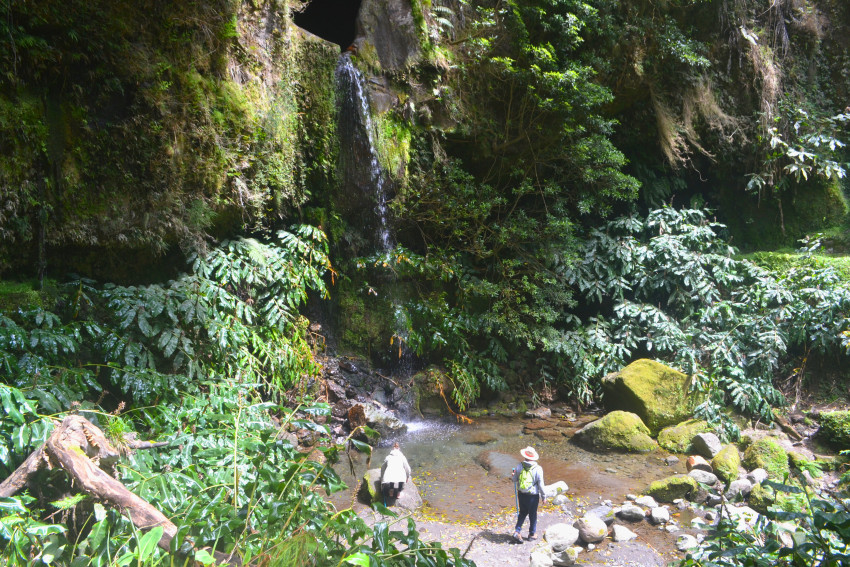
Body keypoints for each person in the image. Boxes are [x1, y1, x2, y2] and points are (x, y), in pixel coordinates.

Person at [511, 446, 546, 542]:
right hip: (533, 496)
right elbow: (541, 484)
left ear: (525, 456)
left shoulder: (519, 466)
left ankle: (517, 531)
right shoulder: (538, 468)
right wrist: (544, 496)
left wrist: (513, 475)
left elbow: (514, 480)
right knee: (532, 514)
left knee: (522, 513)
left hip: (521, 494)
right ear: (533, 457)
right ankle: (531, 534)